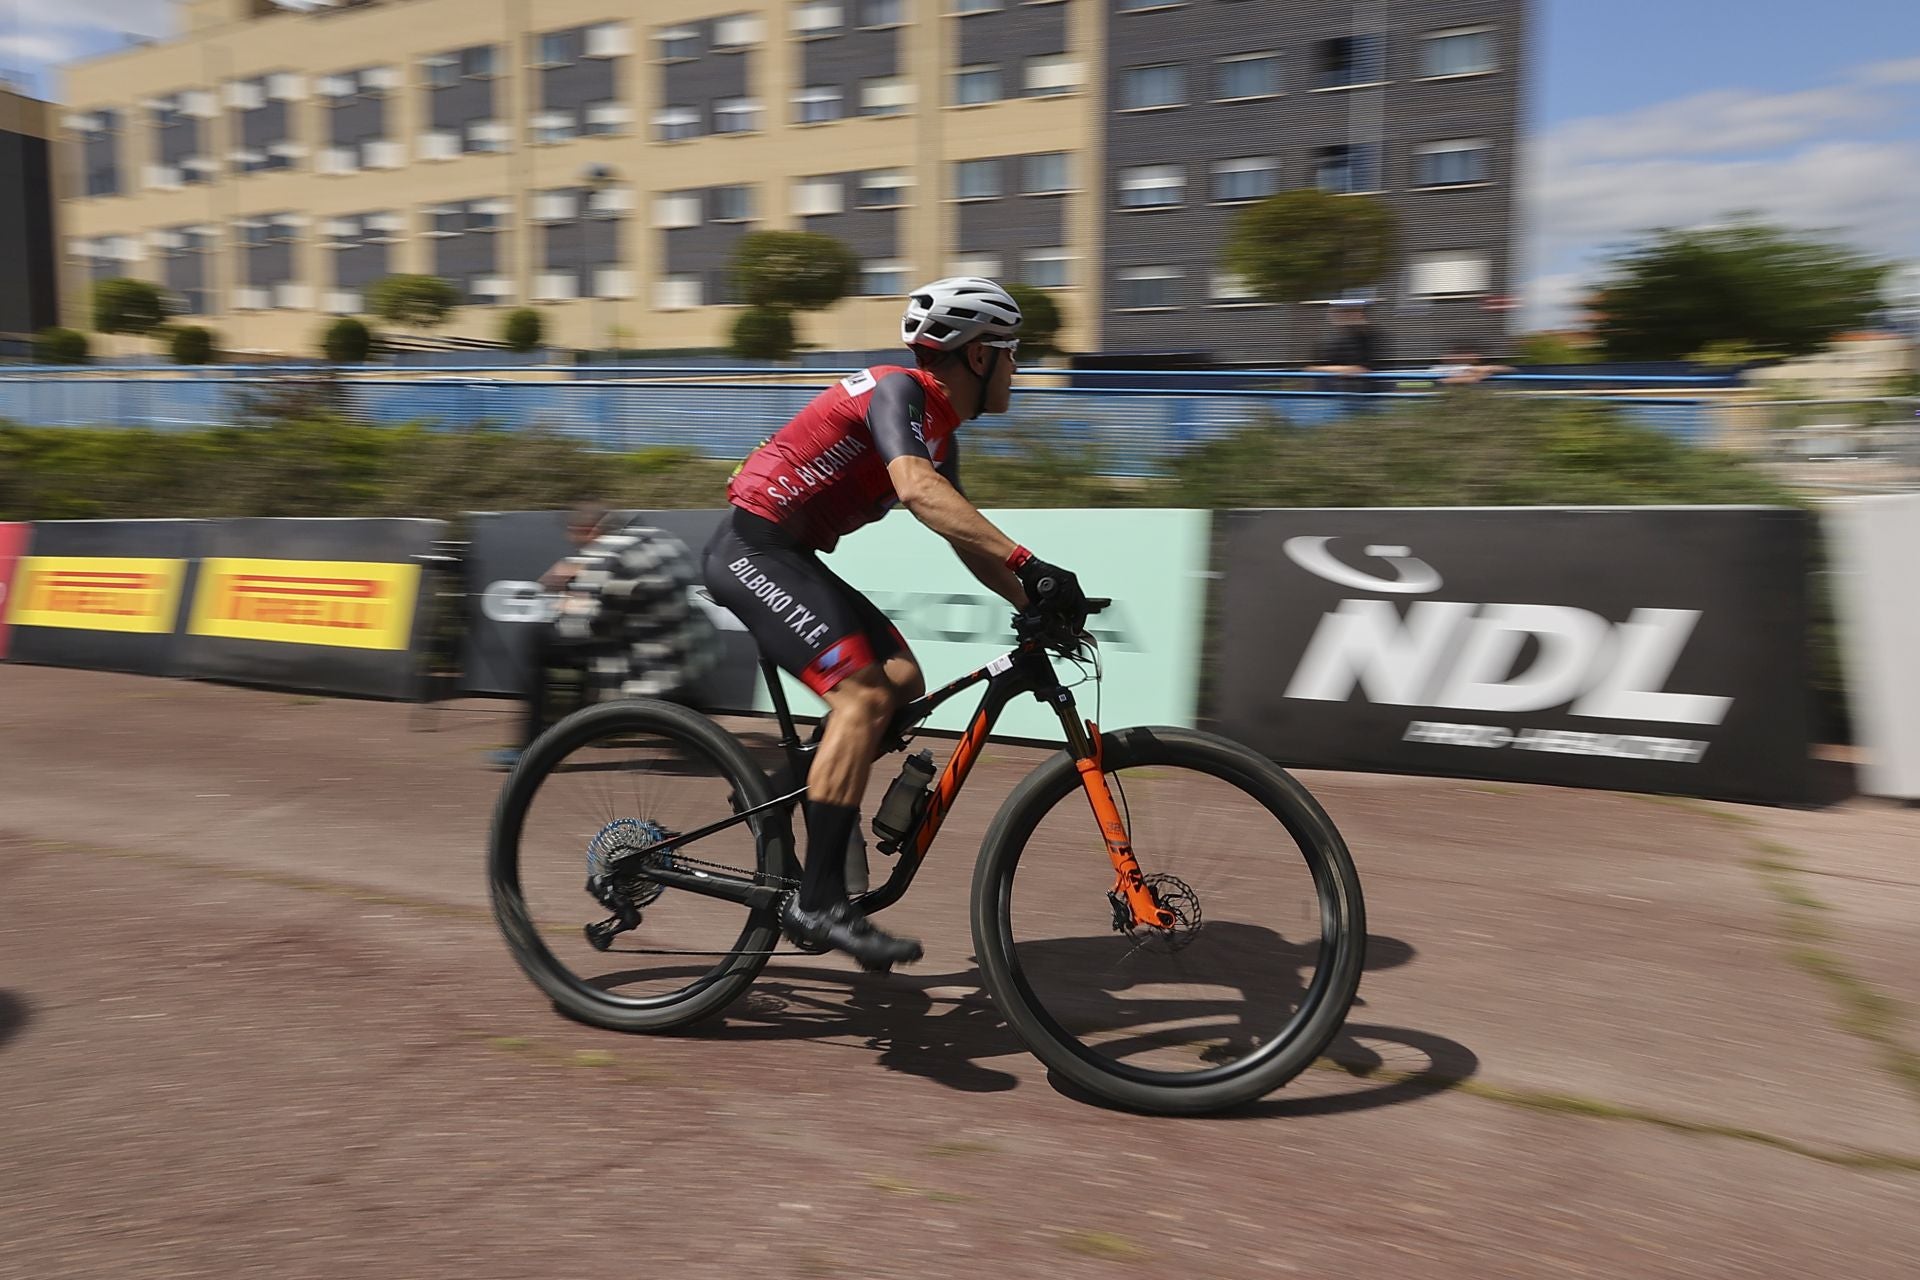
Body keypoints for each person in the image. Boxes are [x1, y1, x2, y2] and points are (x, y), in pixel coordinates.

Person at [702, 277, 1084, 972]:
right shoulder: (899, 393)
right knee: (864, 697)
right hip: (750, 551)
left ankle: (775, 794)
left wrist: (1033, 600)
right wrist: (1031, 563)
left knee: (903, 682)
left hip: (787, 554)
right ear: (978, 357)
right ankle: (818, 901)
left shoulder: (942, 431)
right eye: (1013, 353)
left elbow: (962, 536)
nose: (1018, 369)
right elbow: (915, 489)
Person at [491, 502, 717, 770]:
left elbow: (587, 623)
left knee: (536, 638)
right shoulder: (659, 537)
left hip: (644, 658)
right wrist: (583, 575)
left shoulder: (604, 556)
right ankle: (601, 724)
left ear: (589, 530)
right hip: (689, 646)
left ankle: (533, 749)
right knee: (591, 636)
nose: (575, 545)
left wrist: (565, 600)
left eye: (576, 537)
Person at [1307, 300, 1386, 397]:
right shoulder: (1327, 339)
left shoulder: (1369, 337)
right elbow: (1311, 368)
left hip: (1359, 393)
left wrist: (1328, 369)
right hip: (1332, 392)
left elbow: (1359, 369)